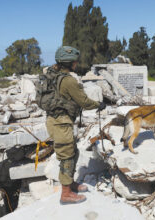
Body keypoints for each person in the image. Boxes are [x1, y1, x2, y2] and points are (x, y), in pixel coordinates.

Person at [45, 46, 106, 204]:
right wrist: (98, 105)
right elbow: (84, 101)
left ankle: (70, 183)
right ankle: (65, 194)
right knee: (67, 157)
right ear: (70, 63)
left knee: (74, 152)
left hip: (56, 121)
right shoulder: (68, 80)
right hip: (61, 123)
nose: (77, 64)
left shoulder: (51, 75)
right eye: (75, 61)